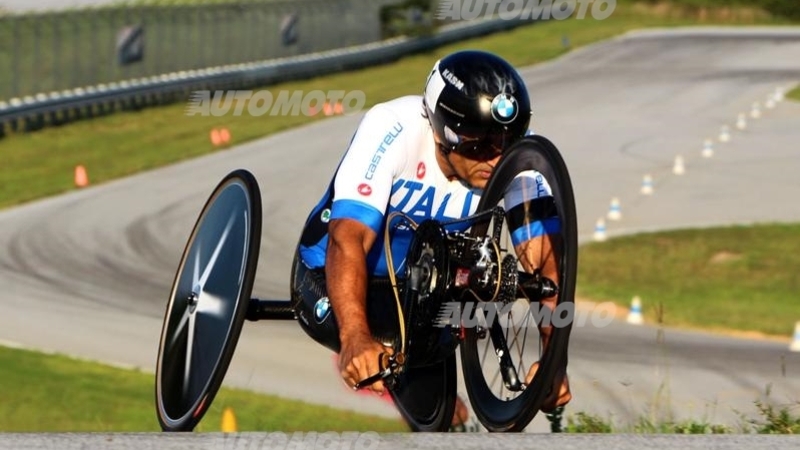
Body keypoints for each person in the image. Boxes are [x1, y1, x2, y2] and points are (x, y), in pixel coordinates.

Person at [290, 50, 571, 429]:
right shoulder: (392, 127)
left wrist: (555, 358)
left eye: (507, 140)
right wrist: (355, 336)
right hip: (327, 274)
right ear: (443, 132)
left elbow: (547, 267)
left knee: (441, 424)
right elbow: (348, 239)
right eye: (479, 145)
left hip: (422, 293)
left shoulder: (517, 156)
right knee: (391, 364)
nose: (495, 158)